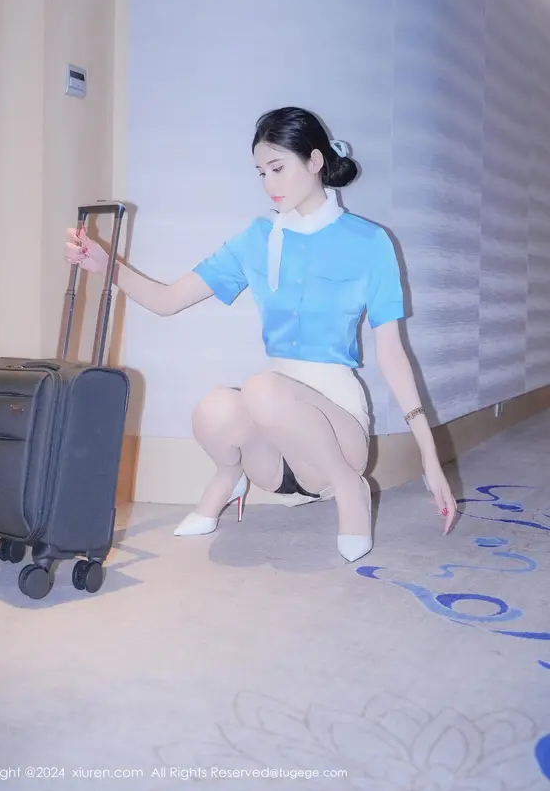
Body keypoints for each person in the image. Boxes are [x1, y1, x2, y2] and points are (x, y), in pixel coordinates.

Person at [65, 106, 456, 563]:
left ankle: (351, 490)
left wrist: (429, 453)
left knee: (261, 389)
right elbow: (168, 300)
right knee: (215, 408)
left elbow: (391, 351)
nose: (269, 184)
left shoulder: (370, 242)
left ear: (315, 161)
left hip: (337, 434)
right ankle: (229, 477)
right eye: (261, 172)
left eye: (278, 168)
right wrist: (105, 264)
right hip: (271, 445)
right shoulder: (258, 238)